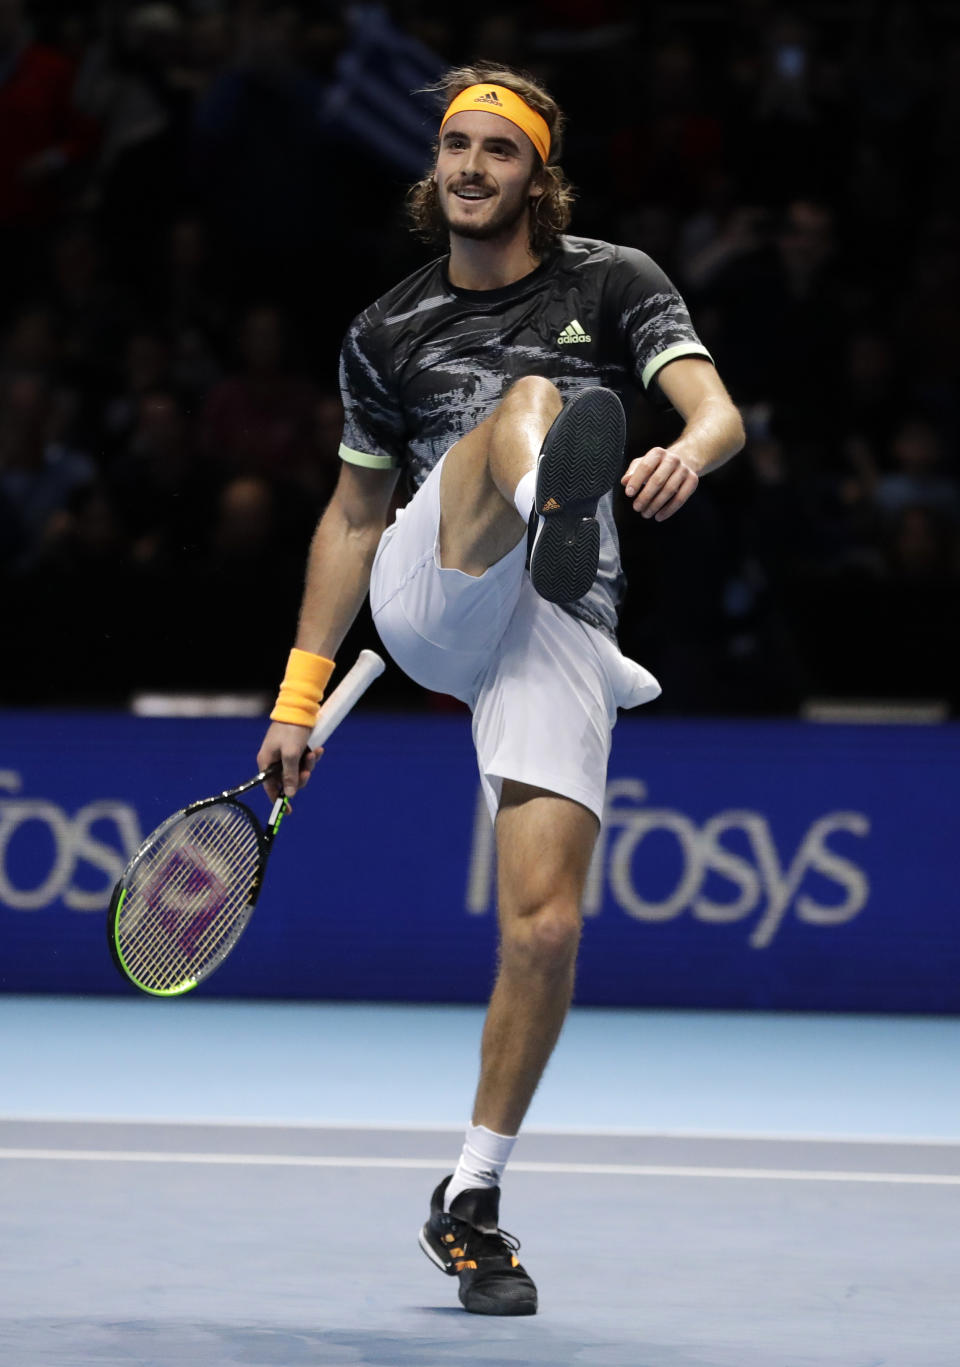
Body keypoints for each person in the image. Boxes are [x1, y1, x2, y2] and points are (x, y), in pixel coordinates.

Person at [256, 62, 744, 1317]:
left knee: (543, 925)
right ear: (436, 169)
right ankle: (548, 493)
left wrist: (686, 451)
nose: (471, 167)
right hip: (437, 586)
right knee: (531, 403)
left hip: (557, 621)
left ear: (539, 174)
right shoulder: (388, 330)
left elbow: (716, 412)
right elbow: (357, 511)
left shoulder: (614, 279)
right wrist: (296, 697)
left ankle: (470, 1196)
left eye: (499, 151)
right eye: (455, 148)